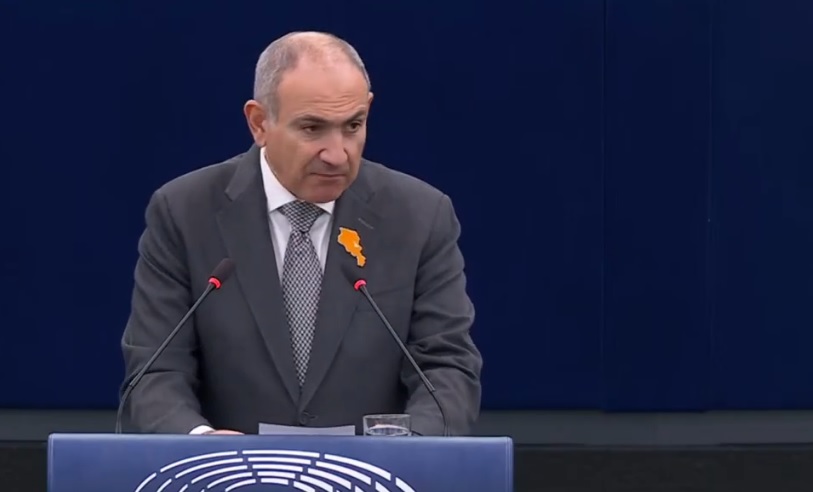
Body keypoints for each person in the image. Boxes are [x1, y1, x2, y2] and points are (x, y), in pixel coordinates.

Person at [119, 31, 482, 436]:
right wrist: (202, 446)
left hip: (375, 470)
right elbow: (156, 370)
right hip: (233, 469)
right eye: (312, 128)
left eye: (353, 125)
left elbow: (447, 368)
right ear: (259, 123)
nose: (337, 154)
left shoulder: (420, 215)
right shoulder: (184, 212)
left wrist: (411, 448)